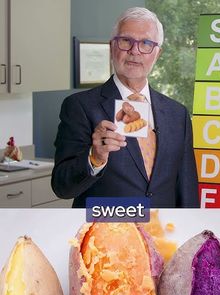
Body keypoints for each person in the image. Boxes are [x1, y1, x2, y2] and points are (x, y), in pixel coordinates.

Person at [51, 7, 199, 208]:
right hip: (106, 230)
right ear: (112, 46)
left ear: (157, 53)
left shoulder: (177, 114)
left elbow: (187, 188)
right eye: (126, 41)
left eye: (146, 43)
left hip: (163, 230)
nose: (135, 51)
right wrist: (95, 158)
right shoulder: (79, 107)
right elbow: (62, 187)